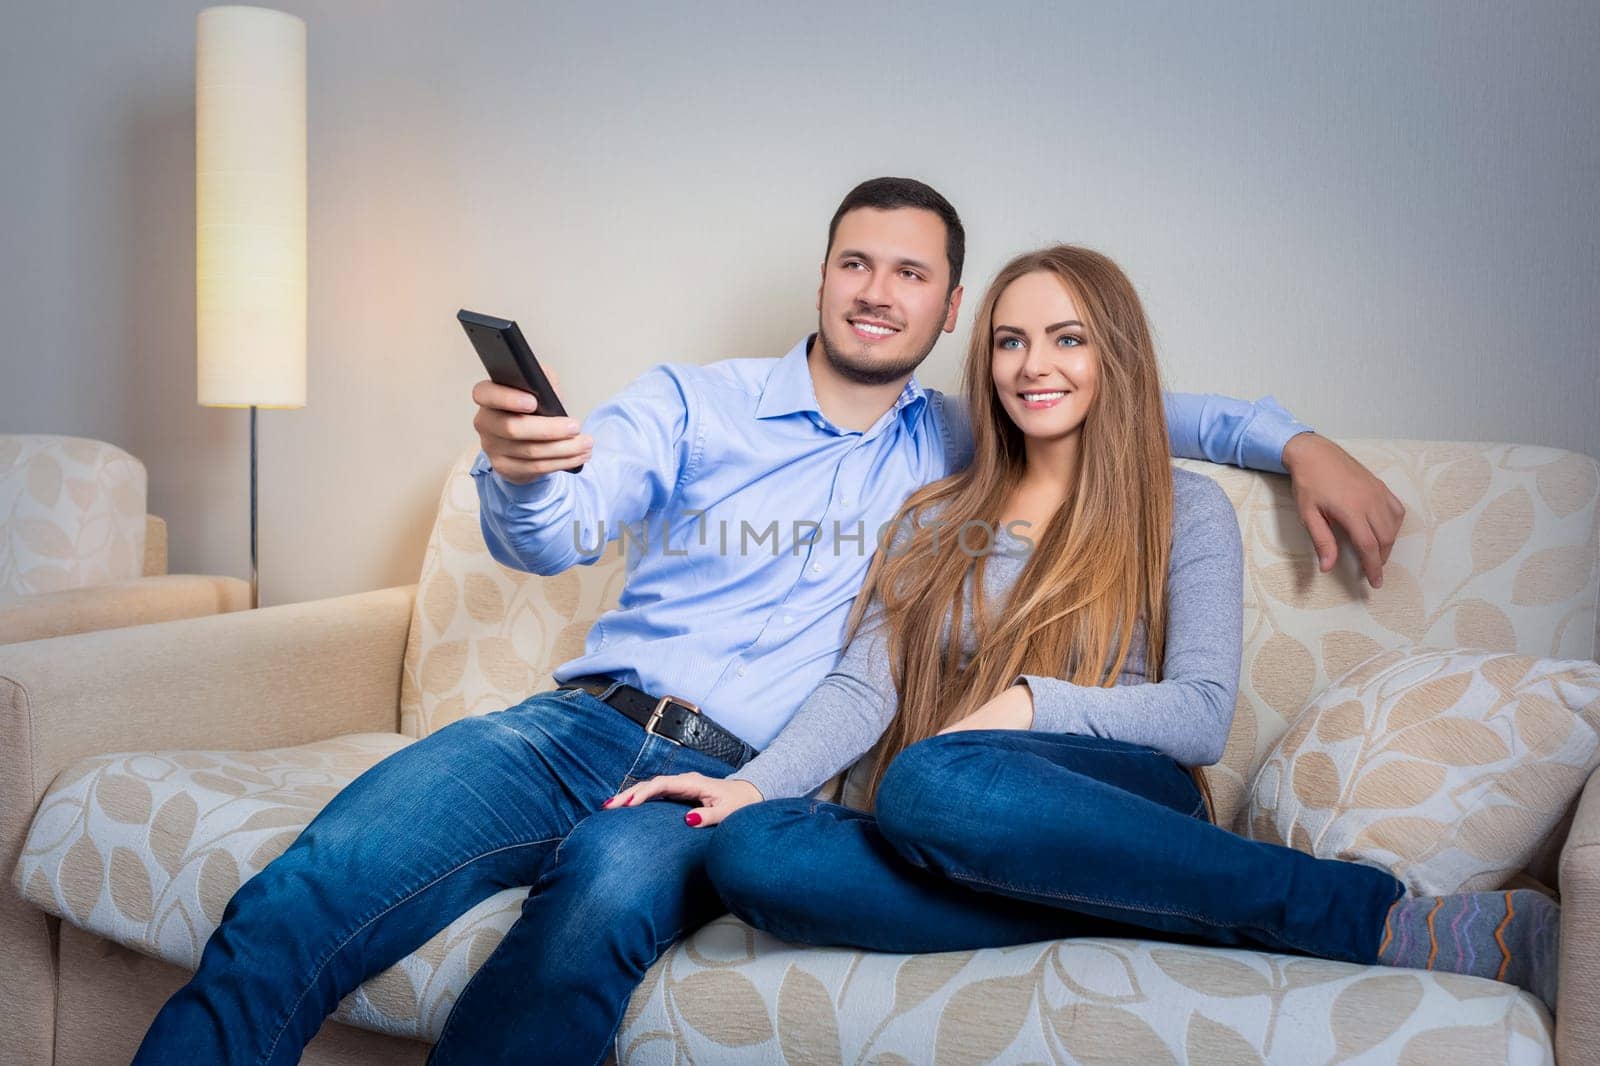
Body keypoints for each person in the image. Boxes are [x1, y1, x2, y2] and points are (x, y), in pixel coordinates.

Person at [132, 178, 1407, 1066]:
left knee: (588, 925)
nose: (877, 290)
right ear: (824, 274)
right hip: (577, 731)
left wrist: (1293, 439)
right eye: (857, 260)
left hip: (769, 766)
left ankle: (1287, 906)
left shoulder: (988, 446)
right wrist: (524, 471)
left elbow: (1128, 403)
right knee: (317, 884)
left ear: (942, 310)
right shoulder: (707, 405)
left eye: (912, 273)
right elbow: (563, 528)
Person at [642, 243, 1559, 1014]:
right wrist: (755, 789)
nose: (1033, 366)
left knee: (929, 780)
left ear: (1112, 355)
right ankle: (1136, 906)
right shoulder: (931, 518)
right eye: (1010, 342)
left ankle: (1367, 916)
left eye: (1066, 339)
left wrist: (1028, 706)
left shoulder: (1182, 510)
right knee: (754, 854)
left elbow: (1199, 715)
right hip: (971, 822)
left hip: (1115, 801)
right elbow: (862, 687)